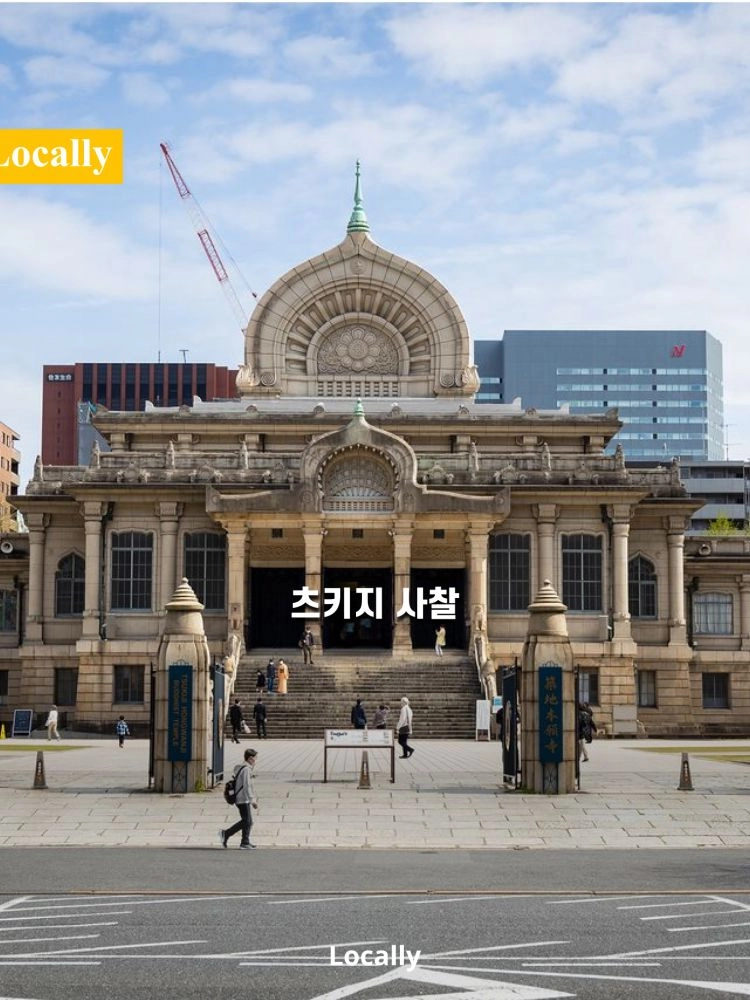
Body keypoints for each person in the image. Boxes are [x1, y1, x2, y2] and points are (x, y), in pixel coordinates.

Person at [219, 747, 259, 850]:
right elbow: (246, 785)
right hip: (243, 799)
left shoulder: (243, 767)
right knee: (247, 821)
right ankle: (226, 834)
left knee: (248, 821)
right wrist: (252, 800)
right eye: (255, 758)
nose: (256, 760)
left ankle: (245, 842)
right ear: (250, 758)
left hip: (242, 798)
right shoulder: (246, 769)